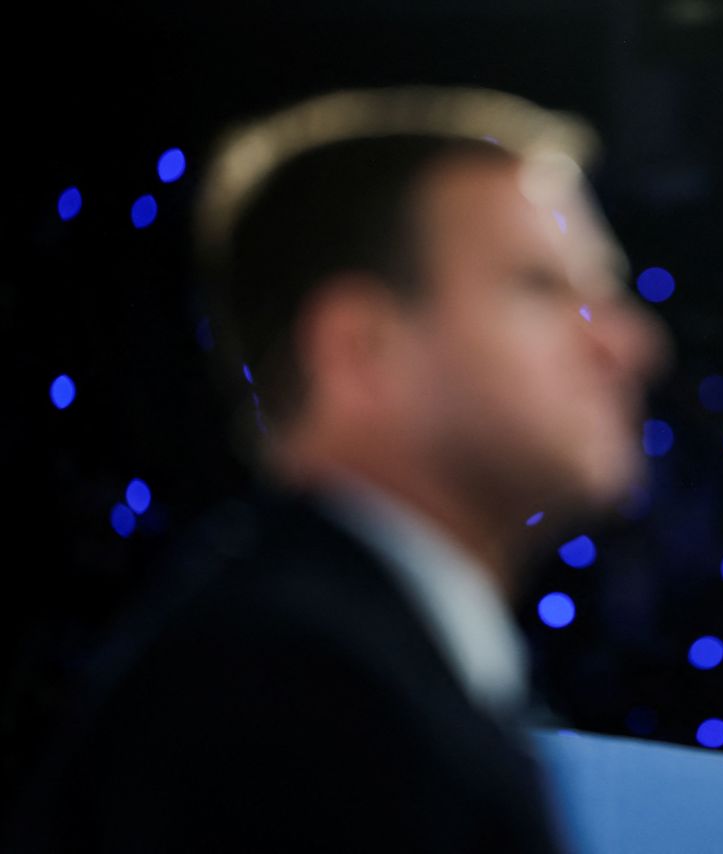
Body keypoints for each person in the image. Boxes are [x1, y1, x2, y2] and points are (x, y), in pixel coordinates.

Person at [12, 86, 665, 851]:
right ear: (359, 352)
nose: (629, 346)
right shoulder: (290, 697)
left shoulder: (339, 660)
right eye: (543, 288)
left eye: (604, 292)